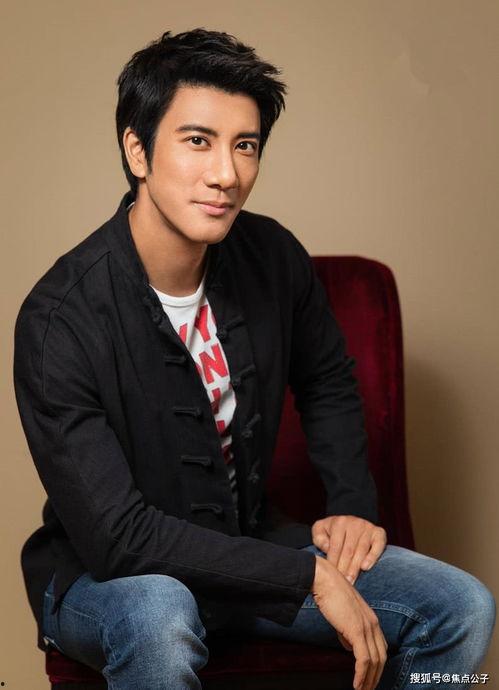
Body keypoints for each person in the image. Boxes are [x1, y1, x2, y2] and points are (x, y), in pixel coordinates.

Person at [14, 28, 495, 690]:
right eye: (197, 141)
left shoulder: (272, 256)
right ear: (137, 150)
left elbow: (327, 379)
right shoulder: (59, 318)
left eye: (245, 145)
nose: (227, 174)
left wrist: (353, 505)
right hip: (104, 579)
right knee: (159, 612)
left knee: (461, 606)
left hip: (249, 544)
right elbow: (117, 538)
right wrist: (304, 576)